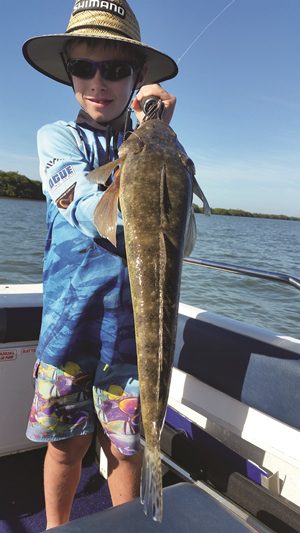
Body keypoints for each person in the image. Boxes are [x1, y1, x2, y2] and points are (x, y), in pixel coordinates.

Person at [22, 0, 178, 529]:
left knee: (127, 451)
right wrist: (143, 152)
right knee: (65, 447)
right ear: (67, 71)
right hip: (66, 333)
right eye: (84, 67)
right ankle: (54, 526)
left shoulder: (154, 145)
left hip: (130, 340)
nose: (98, 81)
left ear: (136, 75)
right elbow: (93, 213)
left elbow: (173, 223)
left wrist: (158, 131)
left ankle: (132, 524)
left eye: (114, 69)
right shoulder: (57, 139)